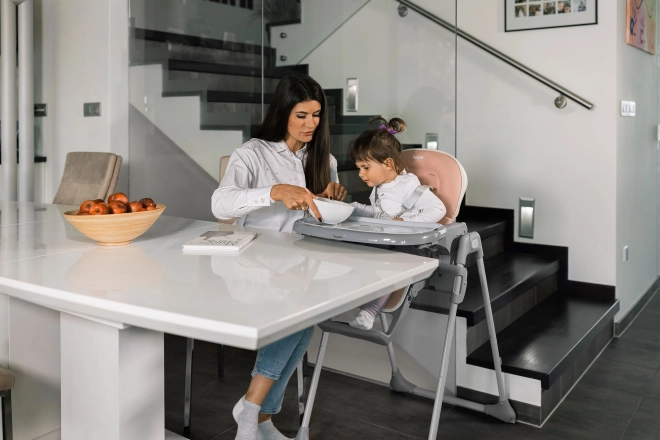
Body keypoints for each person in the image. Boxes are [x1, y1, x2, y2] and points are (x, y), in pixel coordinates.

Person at [211, 73, 346, 440]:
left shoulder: (324, 159)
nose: (310, 124)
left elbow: (315, 215)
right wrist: (271, 191)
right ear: (283, 111)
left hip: (300, 263)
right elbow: (220, 204)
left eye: (317, 115)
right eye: (301, 115)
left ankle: (260, 417)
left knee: (302, 328)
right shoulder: (252, 153)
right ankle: (253, 410)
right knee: (299, 318)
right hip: (252, 266)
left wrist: (328, 199)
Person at [347, 117, 446, 331]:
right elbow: (380, 214)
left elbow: (438, 210)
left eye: (365, 167)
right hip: (386, 241)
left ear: (388, 163)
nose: (360, 174)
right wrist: (354, 209)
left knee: (391, 267)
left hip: (410, 248)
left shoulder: (407, 185)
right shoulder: (381, 187)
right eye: (358, 168)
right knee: (353, 251)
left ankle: (369, 312)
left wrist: (407, 222)